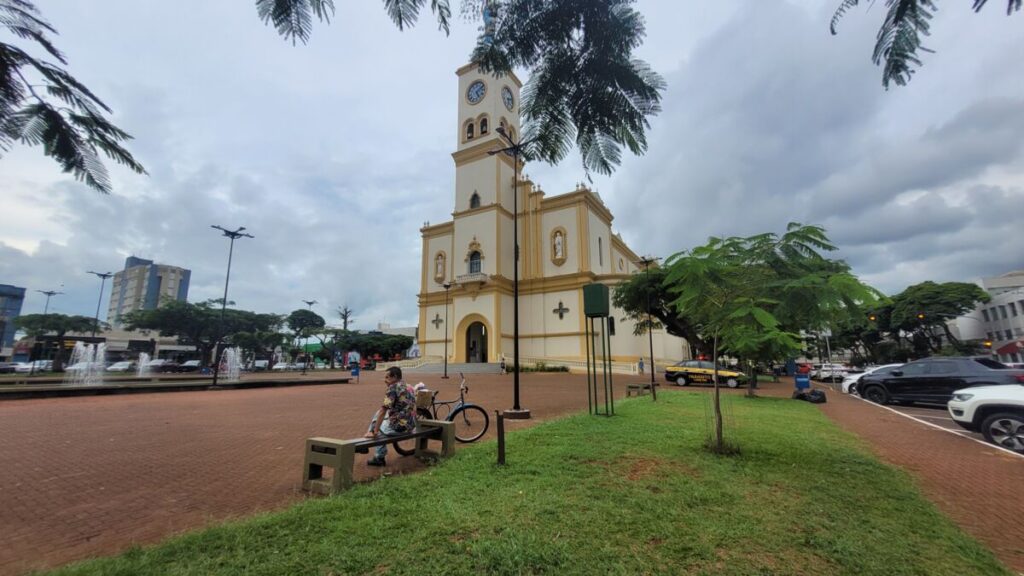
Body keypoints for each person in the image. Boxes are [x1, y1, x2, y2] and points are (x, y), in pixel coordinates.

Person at [364, 366, 417, 466]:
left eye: (387, 377)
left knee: (378, 426)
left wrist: (375, 431)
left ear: (395, 377)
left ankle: (379, 457)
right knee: (378, 414)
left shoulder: (393, 388)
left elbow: (383, 410)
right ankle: (369, 433)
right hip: (410, 424)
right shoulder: (408, 386)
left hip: (399, 427)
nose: (385, 380)